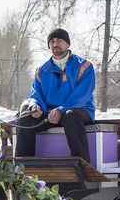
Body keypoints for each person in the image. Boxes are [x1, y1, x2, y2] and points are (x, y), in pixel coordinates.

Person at [15, 28, 96, 162]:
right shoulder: (42, 70)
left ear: (68, 44)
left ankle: (81, 167)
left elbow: (82, 95)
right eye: (52, 41)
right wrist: (35, 108)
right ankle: (23, 171)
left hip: (79, 111)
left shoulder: (84, 66)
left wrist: (61, 110)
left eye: (59, 40)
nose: (55, 44)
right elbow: (35, 94)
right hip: (49, 114)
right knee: (25, 119)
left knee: (71, 115)